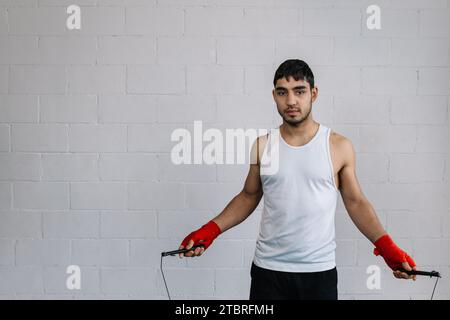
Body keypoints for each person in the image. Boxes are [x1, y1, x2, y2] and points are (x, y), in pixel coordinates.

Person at [178, 59, 417, 300]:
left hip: (318, 273)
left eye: (299, 91)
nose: (291, 101)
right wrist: (210, 230)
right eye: (283, 92)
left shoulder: (338, 146)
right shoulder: (262, 145)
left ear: (313, 93)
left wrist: (388, 249)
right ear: (274, 96)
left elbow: (356, 202)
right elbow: (248, 196)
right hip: (268, 272)